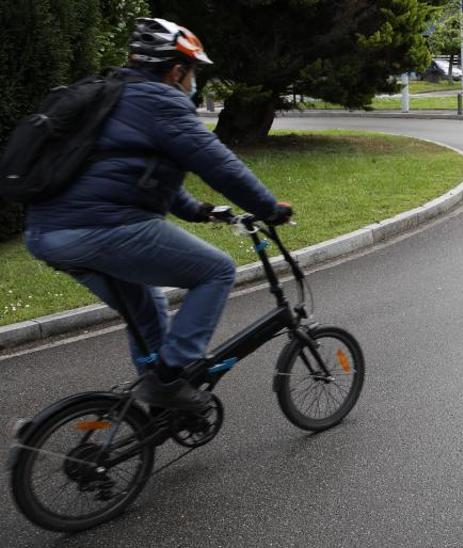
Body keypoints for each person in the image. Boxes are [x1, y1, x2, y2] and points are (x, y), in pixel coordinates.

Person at [23, 18, 292, 410]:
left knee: (146, 306)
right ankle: (168, 383)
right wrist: (268, 208)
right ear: (176, 70)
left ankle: (147, 409)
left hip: (48, 232)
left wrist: (194, 209)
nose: (193, 81)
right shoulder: (160, 101)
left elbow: (135, 173)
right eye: (193, 71)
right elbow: (218, 164)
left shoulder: (118, 95)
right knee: (216, 270)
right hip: (101, 228)